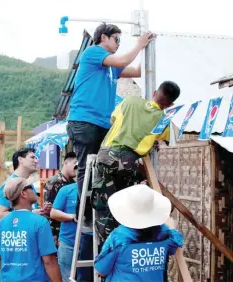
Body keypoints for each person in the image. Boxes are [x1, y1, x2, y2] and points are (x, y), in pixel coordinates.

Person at [67, 23, 155, 225]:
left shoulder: (110, 68)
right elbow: (124, 59)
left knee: (103, 166)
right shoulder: (93, 52)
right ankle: (86, 214)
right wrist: (139, 44)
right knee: (86, 167)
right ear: (103, 38)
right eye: (116, 39)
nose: (118, 44)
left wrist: (147, 49)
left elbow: (137, 71)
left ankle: (101, 210)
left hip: (102, 123)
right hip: (84, 120)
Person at [92, 81, 181, 243]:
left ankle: (107, 246)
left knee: (105, 205)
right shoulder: (163, 119)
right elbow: (169, 139)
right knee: (127, 206)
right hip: (128, 161)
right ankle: (126, 244)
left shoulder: (131, 101)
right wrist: (151, 139)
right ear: (170, 104)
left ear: (155, 92)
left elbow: (113, 121)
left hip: (106, 156)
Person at [94, 184, 183, 282]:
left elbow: (100, 270)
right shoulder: (163, 235)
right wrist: (172, 228)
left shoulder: (119, 237)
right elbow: (175, 242)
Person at [0, 177, 62, 282]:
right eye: (30, 187)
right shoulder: (40, 222)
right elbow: (49, 261)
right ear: (23, 194)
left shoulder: (1, 224)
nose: (34, 190)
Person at [0, 148, 50, 222]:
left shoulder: (27, 184)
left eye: (36, 158)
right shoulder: (10, 184)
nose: (36, 161)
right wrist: (29, 214)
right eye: (32, 157)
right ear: (20, 159)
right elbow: (0, 215)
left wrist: (41, 211)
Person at [44, 152, 77, 244]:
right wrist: (53, 233)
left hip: (68, 230)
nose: (77, 167)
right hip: (57, 232)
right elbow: (48, 210)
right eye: (75, 163)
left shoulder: (72, 183)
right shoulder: (54, 181)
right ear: (66, 163)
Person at [50, 183, 78, 281]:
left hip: (91, 244)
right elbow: (53, 213)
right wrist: (72, 217)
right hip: (68, 244)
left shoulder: (100, 190)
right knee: (68, 278)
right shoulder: (67, 190)